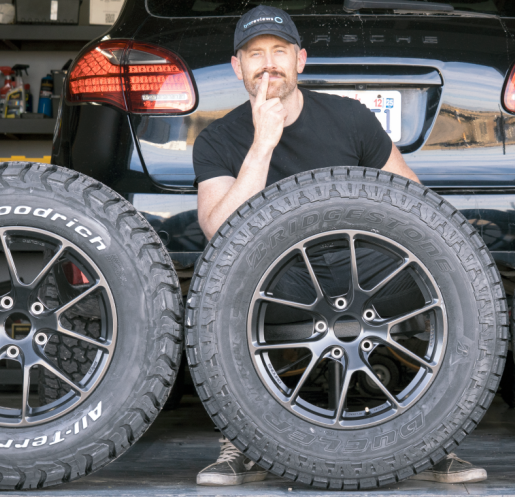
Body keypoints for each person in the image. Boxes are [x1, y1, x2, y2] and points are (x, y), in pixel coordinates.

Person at [192, 5, 487, 487]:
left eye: (279, 51)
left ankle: (434, 440)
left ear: (300, 60)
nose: (268, 64)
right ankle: (240, 440)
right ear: (236, 67)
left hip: (363, 267)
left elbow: (421, 213)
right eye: (255, 54)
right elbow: (218, 232)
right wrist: (262, 144)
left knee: (447, 272)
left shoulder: (350, 118)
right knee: (218, 279)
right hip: (281, 279)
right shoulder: (218, 139)